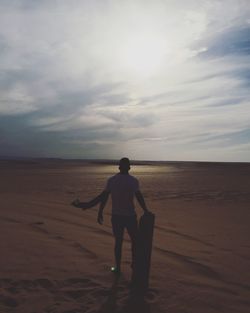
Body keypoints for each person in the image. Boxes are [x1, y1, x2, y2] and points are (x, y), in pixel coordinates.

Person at [97, 157, 150, 274]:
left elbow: (104, 197)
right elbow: (139, 197)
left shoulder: (111, 180)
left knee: (118, 242)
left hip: (116, 217)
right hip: (130, 216)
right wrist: (146, 210)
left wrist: (100, 211)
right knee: (134, 241)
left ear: (119, 167)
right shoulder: (134, 181)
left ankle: (118, 267)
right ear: (129, 167)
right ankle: (134, 264)